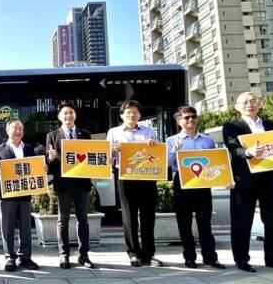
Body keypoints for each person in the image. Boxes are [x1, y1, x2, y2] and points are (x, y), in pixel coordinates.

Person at [223, 92, 273, 274]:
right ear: (238, 107)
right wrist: (249, 151)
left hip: (269, 178)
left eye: (253, 101)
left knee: (272, 219)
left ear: (259, 104)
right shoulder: (231, 126)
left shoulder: (271, 125)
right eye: (245, 102)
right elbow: (233, 147)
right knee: (242, 220)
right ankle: (241, 259)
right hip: (244, 179)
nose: (250, 105)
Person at [166, 106, 225, 269]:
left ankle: (210, 257)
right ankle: (189, 256)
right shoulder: (172, 140)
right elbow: (167, 165)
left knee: (205, 221)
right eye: (186, 117)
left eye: (193, 116)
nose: (190, 120)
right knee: (184, 221)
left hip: (202, 183)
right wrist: (174, 150)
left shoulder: (208, 140)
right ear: (178, 120)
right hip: (182, 183)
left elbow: (215, 163)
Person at [107, 100, 161, 267]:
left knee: (148, 215)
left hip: (147, 176)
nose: (132, 115)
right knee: (129, 216)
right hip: (125, 176)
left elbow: (157, 155)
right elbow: (108, 157)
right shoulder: (114, 132)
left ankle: (149, 253)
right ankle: (133, 253)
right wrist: (115, 151)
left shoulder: (149, 132)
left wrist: (154, 146)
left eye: (135, 112)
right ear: (122, 115)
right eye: (128, 112)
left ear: (140, 115)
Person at [46, 103, 96, 269]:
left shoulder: (85, 134)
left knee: (83, 219)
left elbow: (91, 157)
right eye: (65, 114)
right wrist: (51, 158)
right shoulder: (52, 135)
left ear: (75, 116)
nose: (68, 116)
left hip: (82, 183)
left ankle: (84, 255)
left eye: (71, 113)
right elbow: (49, 163)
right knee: (63, 220)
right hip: (64, 184)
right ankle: (64, 255)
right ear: (59, 117)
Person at [0, 118, 39, 272]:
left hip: (25, 193)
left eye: (21, 128)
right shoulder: (1, 148)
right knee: (7, 226)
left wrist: (43, 168)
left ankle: (25, 256)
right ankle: (9, 257)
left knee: (25, 226)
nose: (18, 131)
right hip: (8, 194)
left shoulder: (30, 148)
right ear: (7, 130)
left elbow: (36, 168)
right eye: (15, 128)